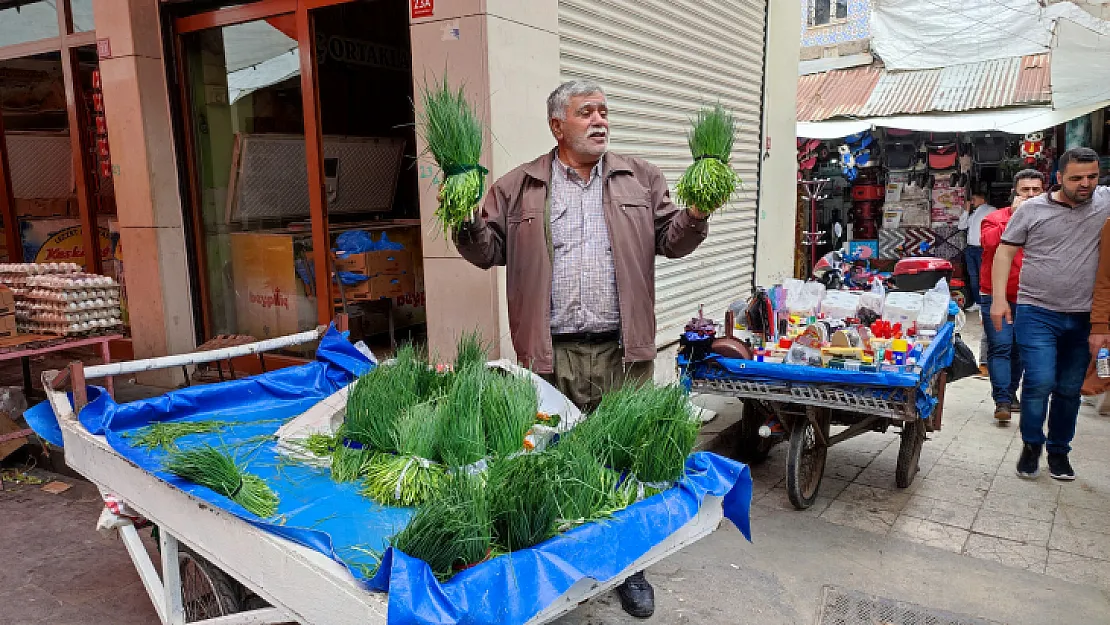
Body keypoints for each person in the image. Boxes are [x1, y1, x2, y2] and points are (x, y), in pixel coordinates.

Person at [453, 79, 709, 618]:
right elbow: (486, 251)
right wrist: (463, 220)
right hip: (551, 351)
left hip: (623, 352)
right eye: (585, 112)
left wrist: (698, 215)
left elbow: (672, 240)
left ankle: (627, 567)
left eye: (603, 111)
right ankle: (559, 559)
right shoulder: (518, 186)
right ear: (557, 126)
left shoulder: (640, 178)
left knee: (625, 460)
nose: (599, 120)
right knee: (551, 456)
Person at [991, 147, 1109, 481]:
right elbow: (1004, 251)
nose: (1085, 184)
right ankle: (1032, 444)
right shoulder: (1031, 210)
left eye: (1092, 177)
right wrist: (999, 299)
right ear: (1059, 178)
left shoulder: (1104, 201)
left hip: (1084, 315)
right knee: (1040, 382)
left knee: (1070, 388)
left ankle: (1059, 452)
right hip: (1036, 312)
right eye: (1076, 178)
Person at [979, 170, 1045, 422]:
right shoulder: (994, 218)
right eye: (1024, 190)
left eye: (1035, 190)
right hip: (995, 295)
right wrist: (1016, 218)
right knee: (1001, 346)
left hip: (1031, 296)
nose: (1030, 195)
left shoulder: (1047, 220)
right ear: (1014, 194)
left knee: (1019, 350)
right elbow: (989, 243)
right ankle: (1002, 400)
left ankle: (1010, 394)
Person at [958, 190, 996, 313]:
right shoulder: (973, 213)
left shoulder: (991, 210)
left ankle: (987, 302)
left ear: (983, 199)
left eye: (974, 199)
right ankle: (977, 302)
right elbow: (961, 226)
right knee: (973, 277)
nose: (972, 202)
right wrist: (966, 211)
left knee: (984, 276)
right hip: (970, 248)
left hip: (982, 248)